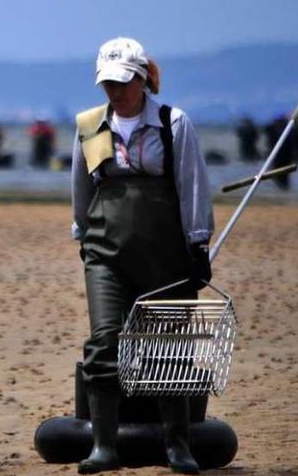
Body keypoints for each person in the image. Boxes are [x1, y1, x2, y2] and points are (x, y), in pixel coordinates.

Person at [71, 36, 213, 475]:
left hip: (166, 256)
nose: (115, 92)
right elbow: (82, 190)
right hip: (105, 254)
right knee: (104, 342)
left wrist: (198, 244)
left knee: (166, 346)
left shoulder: (174, 124)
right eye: (107, 84)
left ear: (141, 80)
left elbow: (193, 186)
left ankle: (177, 445)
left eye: (122, 83)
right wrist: (83, 236)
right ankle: (104, 447)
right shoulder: (90, 126)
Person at [265, 114, 292, 190]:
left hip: (286, 157)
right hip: (276, 156)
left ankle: (284, 188)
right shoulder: (273, 130)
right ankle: (281, 187)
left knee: (284, 175)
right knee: (276, 173)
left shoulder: (288, 131)